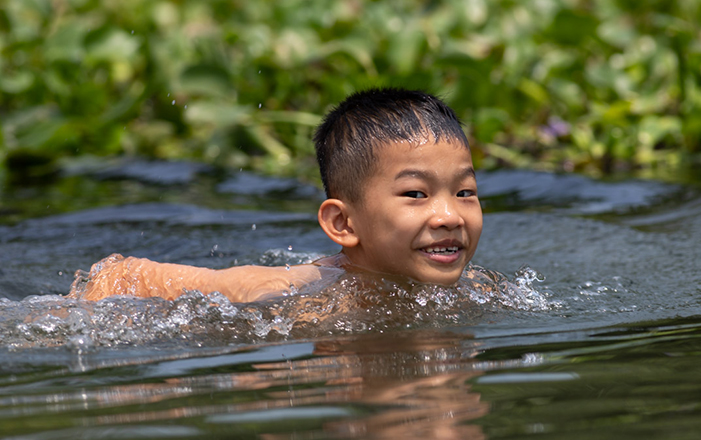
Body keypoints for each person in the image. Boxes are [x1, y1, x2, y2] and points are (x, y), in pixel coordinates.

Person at [68, 87, 483, 303]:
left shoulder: (480, 290)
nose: (450, 215)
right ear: (343, 223)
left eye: (465, 191)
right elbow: (122, 276)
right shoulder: (293, 295)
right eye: (415, 193)